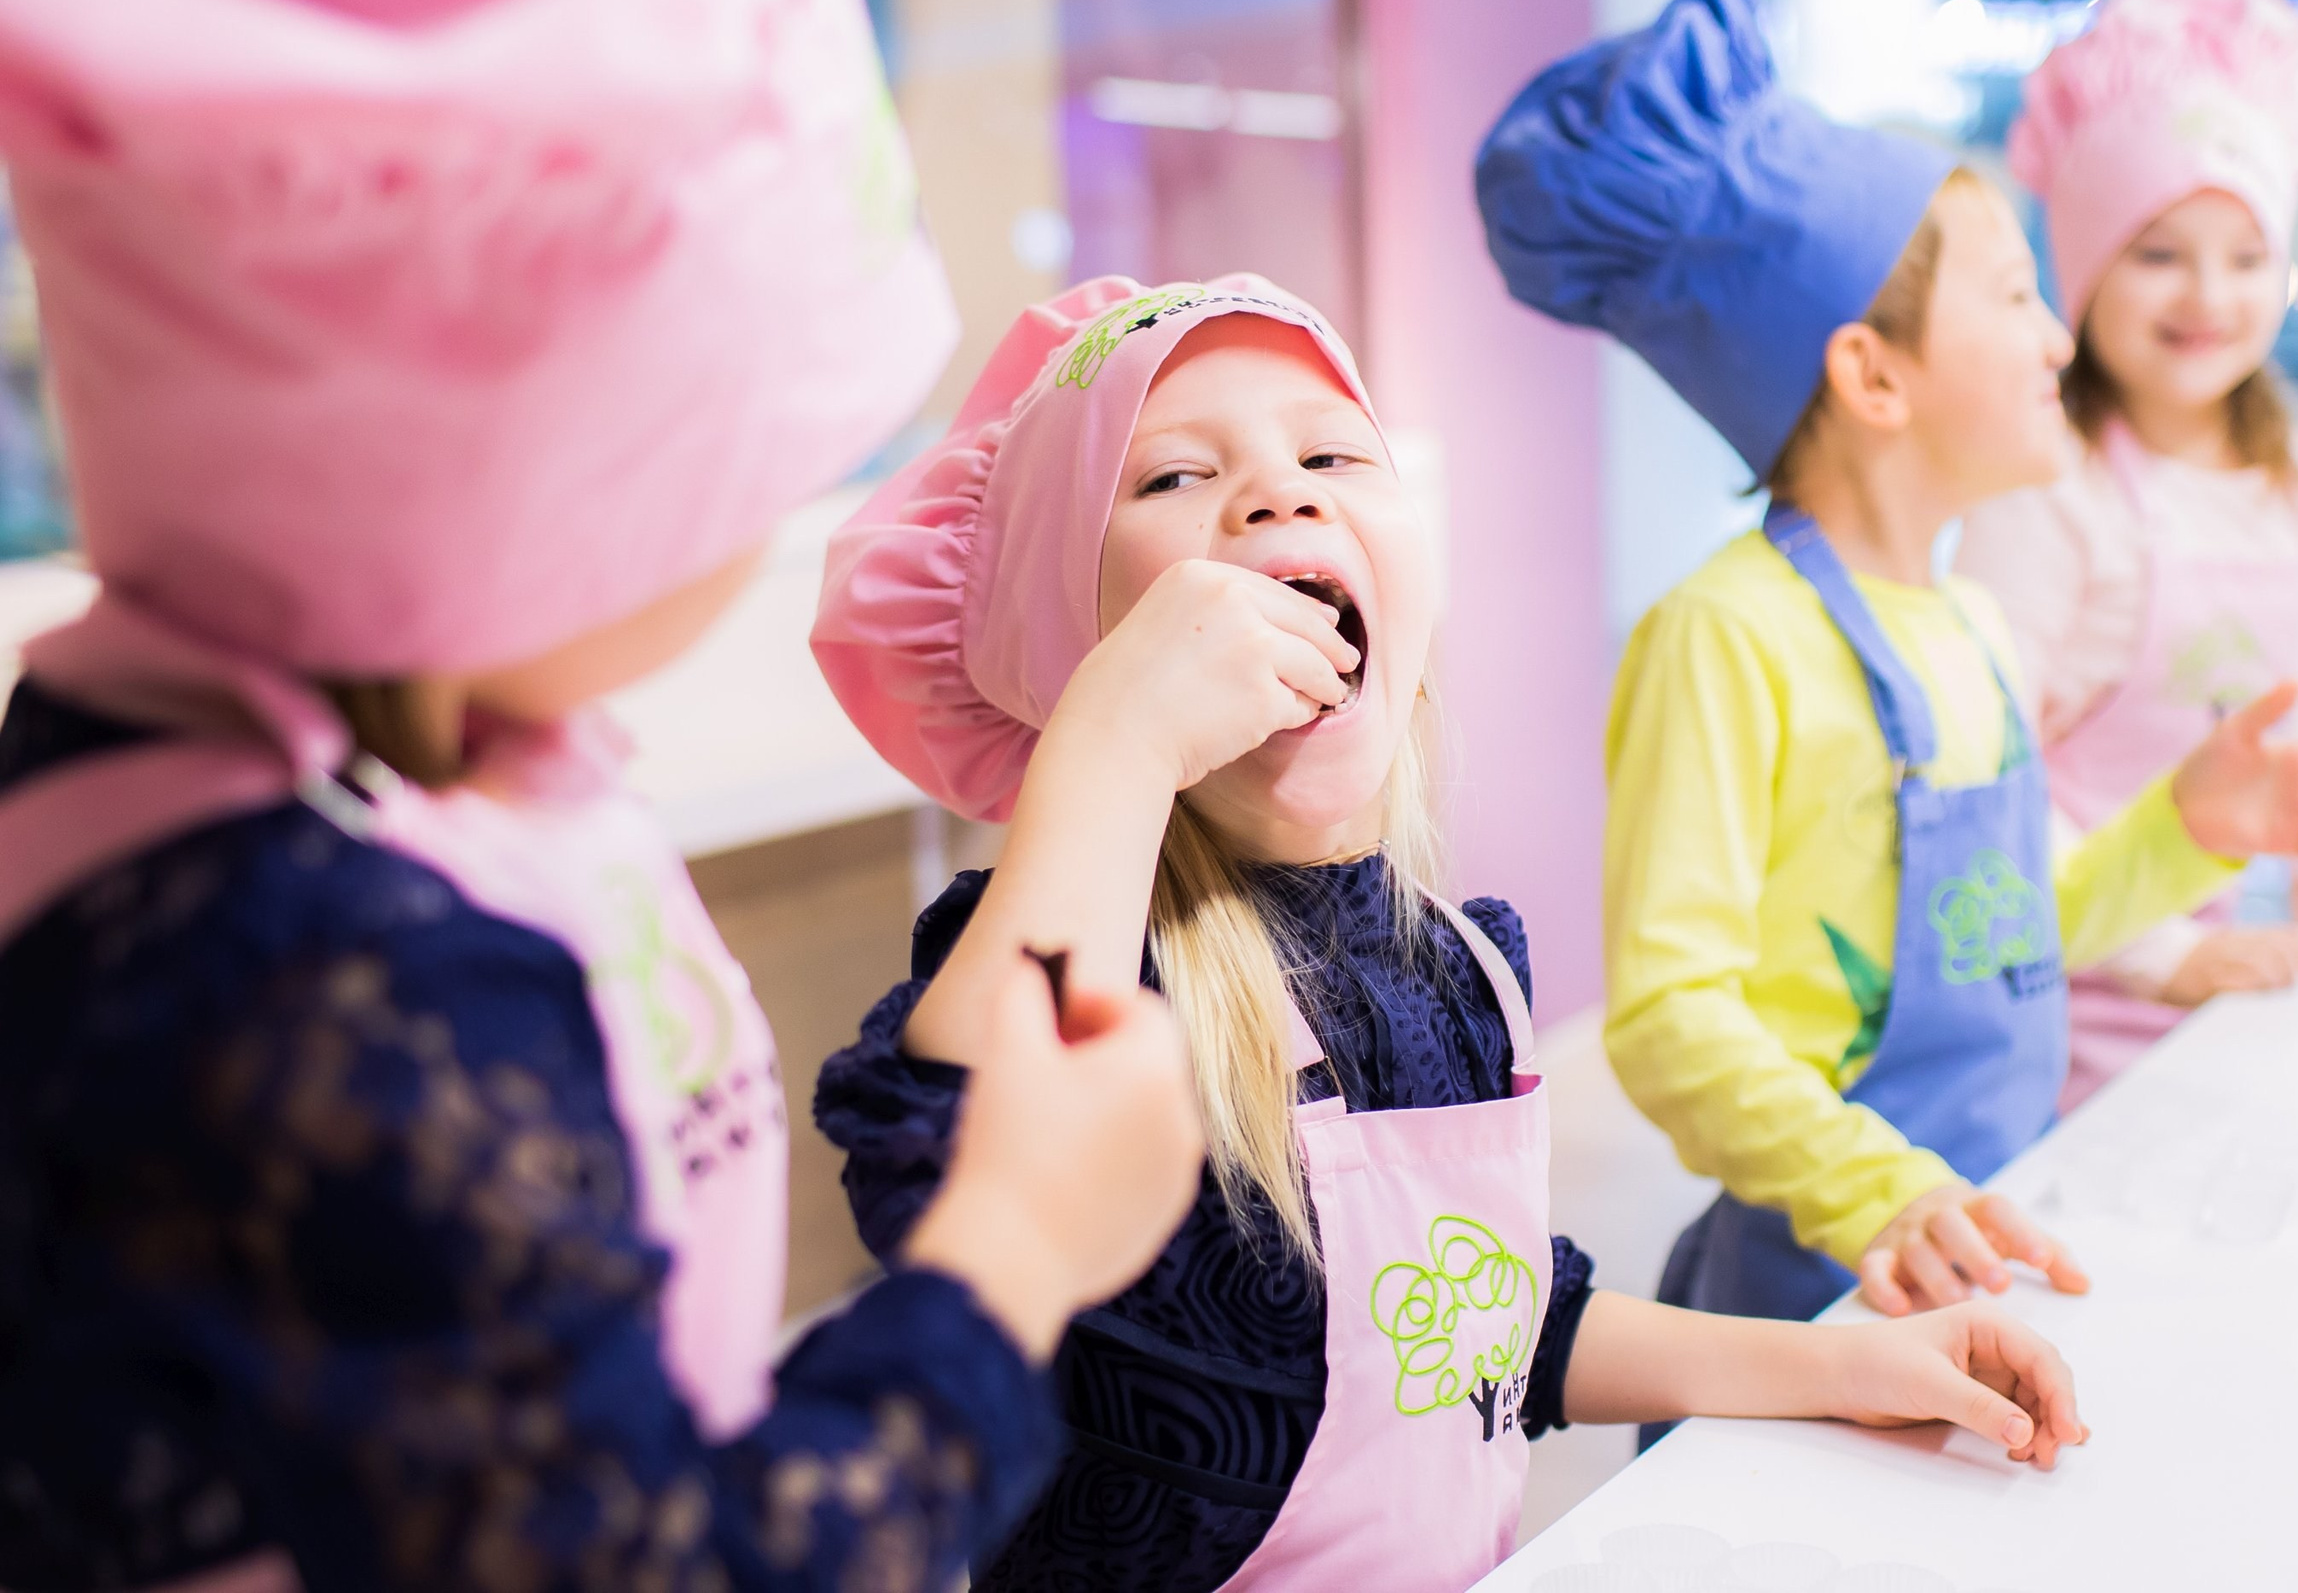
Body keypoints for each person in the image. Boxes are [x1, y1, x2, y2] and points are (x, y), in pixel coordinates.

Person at [0, 0, 1199, 1588]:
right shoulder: (334, 979)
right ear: (516, 502)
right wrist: (1016, 1245)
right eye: (745, 468)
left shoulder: (205, 754)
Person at [811, 272, 2091, 1593]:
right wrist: (1117, 743)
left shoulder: (1458, 966)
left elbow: (1497, 1321)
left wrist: (1837, 1363)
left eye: (1327, 453)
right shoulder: (1082, 959)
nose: (1277, 492)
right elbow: (937, 1175)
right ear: (1076, 659)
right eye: (1174, 477)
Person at [1475, 0, 2298, 1340]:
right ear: (1873, 377)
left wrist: (2187, 827)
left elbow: (2020, 928)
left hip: (1985, 1244)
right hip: (1826, 1289)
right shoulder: (1725, 637)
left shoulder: (1971, 625)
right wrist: (1876, 1188)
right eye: (2015, 296)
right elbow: (1666, 1015)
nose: (2060, 334)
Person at [1957, 0, 2298, 1111]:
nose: (2208, 293)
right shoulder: (2043, 488)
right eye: (2159, 252)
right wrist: (2159, 953)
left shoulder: (2286, 468)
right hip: (2044, 983)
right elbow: (1982, 763)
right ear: (2081, 268)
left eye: (2247, 254)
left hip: (2211, 974)